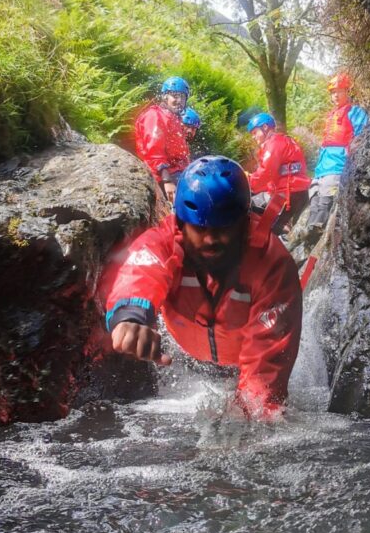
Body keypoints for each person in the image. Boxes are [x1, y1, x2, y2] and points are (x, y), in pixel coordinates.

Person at [102, 156, 303, 417]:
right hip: (187, 357)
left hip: (241, 359)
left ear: (244, 224)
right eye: (199, 228)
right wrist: (130, 315)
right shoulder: (163, 241)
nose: (210, 239)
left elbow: (265, 373)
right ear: (181, 224)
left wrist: (253, 418)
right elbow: (141, 271)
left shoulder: (272, 263)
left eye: (223, 228)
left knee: (257, 413)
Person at [306, 72, 368, 236]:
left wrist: (350, 154)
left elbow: (361, 135)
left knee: (328, 190)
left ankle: (320, 223)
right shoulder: (331, 116)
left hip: (339, 162)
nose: (335, 95)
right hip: (324, 163)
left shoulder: (354, 112)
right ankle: (311, 223)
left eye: (339, 91)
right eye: (333, 92)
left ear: (347, 91)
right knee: (314, 189)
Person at [246, 112, 310, 235]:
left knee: (267, 231)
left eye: (255, 133)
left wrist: (247, 181)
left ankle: (274, 247)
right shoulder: (284, 140)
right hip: (296, 190)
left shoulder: (274, 144)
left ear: (265, 127)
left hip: (287, 193)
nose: (253, 137)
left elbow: (266, 174)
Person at [134, 76, 191, 203]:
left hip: (176, 173)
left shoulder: (173, 118)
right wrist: (167, 181)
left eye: (183, 97)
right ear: (165, 96)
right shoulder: (155, 115)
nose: (179, 101)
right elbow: (154, 153)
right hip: (162, 176)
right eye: (175, 96)